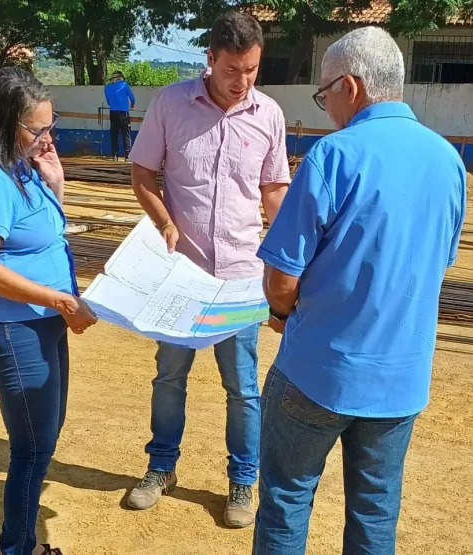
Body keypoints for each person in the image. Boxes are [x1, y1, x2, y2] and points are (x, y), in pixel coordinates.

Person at [253, 27, 466, 555]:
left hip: (317, 373)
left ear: (350, 86)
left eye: (324, 95)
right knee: (375, 516)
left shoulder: (333, 156)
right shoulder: (449, 162)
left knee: (285, 502)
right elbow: (434, 266)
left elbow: (280, 283)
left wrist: (286, 312)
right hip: (401, 378)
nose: (325, 107)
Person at [127, 11, 291, 528]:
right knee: (169, 377)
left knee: (243, 386)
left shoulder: (269, 114)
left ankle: (243, 480)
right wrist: (165, 224)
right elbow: (142, 172)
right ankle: (161, 468)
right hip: (182, 275)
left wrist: (289, 254)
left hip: (242, 277)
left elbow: (273, 190)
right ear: (210, 60)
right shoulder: (171, 103)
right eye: (232, 70)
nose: (242, 82)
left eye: (251, 70)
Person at [0, 67, 98, 555]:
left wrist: (56, 183)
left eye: (49, 127)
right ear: (5, 121)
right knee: (32, 448)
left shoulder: (20, 167)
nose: (46, 138)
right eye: (38, 129)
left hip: (43, 322)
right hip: (13, 328)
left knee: (43, 439)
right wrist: (58, 298)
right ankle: (19, 547)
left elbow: (41, 234)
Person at [104, 70, 135, 161]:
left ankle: (114, 155)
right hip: (123, 112)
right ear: (120, 77)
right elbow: (132, 97)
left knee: (114, 134)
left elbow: (108, 102)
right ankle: (128, 156)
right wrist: (132, 103)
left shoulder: (107, 88)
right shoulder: (124, 85)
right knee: (126, 134)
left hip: (113, 112)